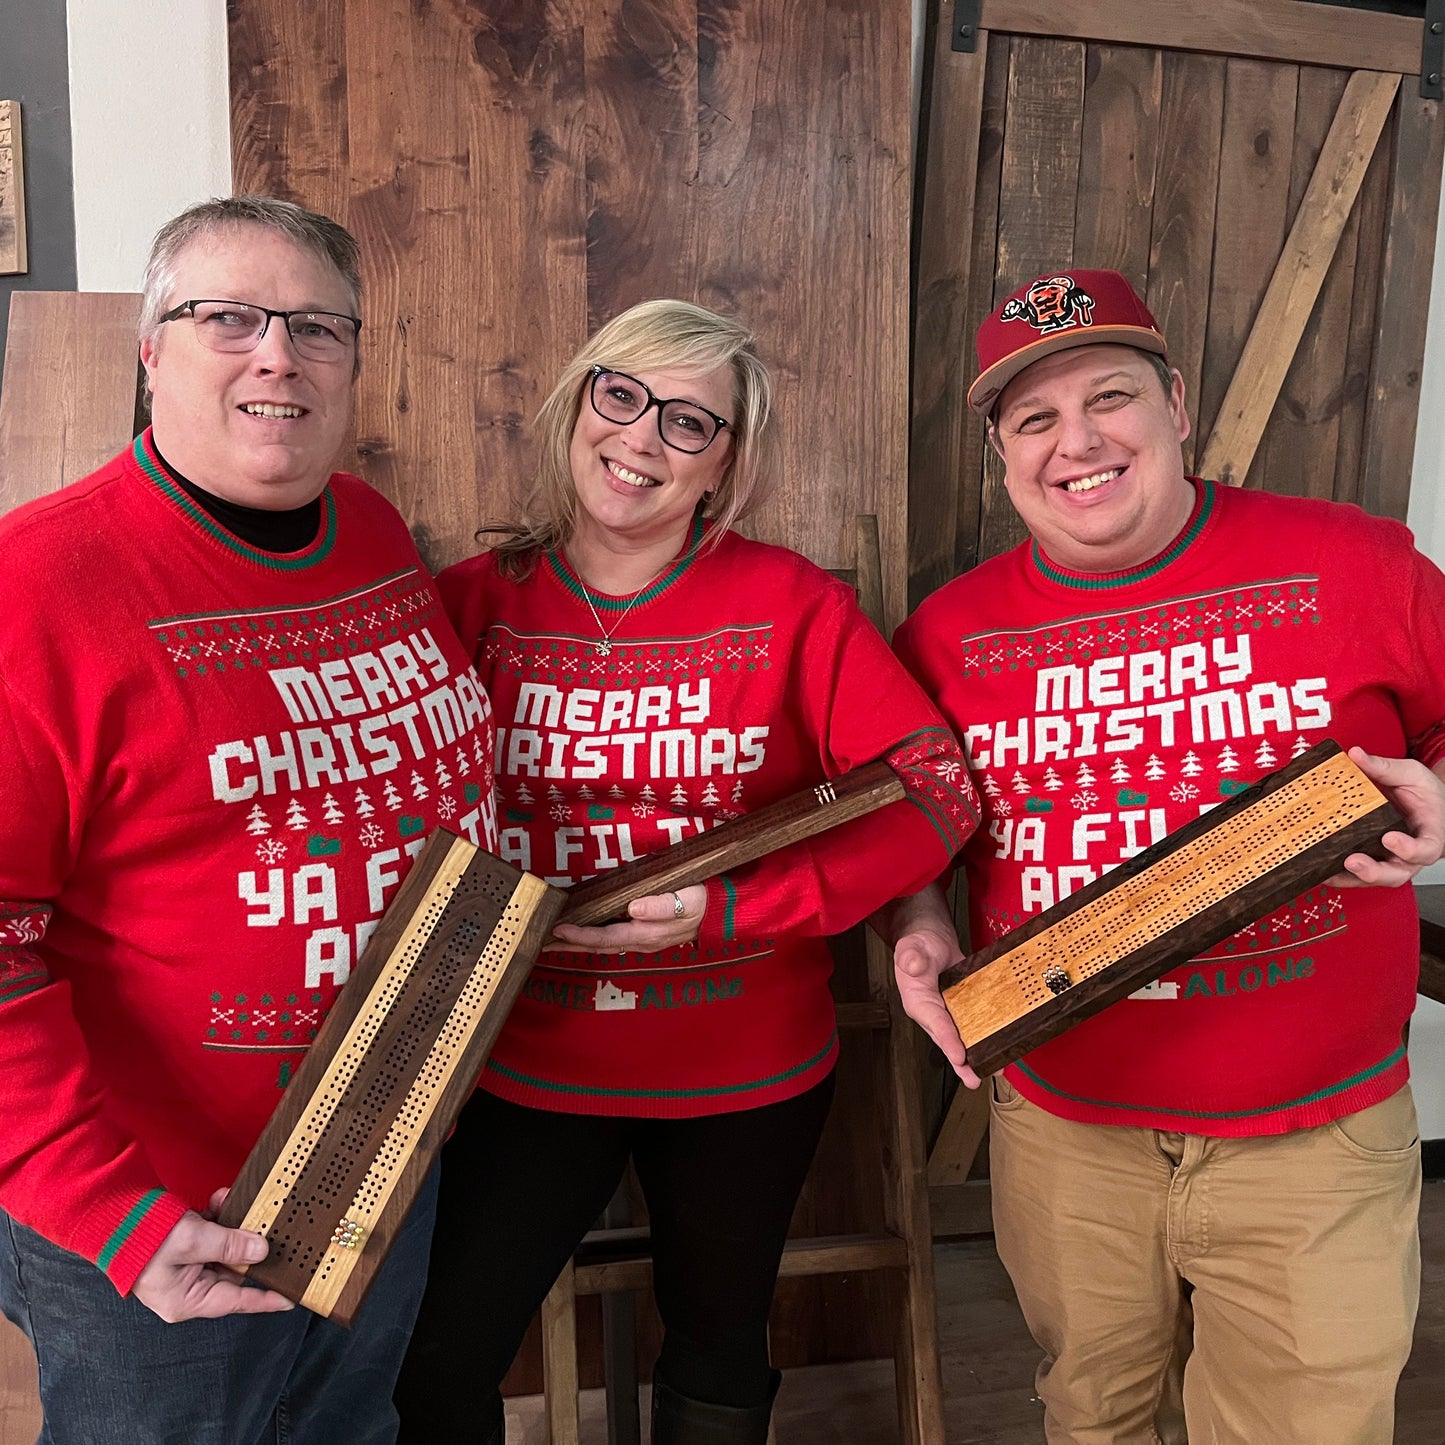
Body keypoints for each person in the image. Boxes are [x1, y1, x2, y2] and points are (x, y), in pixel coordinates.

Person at [393, 298, 978, 1444]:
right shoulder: (474, 601)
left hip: (741, 1063)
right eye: (621, 395)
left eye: (688, 421)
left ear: (724, 464)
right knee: (436, 1358)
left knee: (716, 1343)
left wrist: (737, 908)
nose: (642, 437)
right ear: (575, 406)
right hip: (524, 1058)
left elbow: (934, 792)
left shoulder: (793, 605)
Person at [886, 267, 1445, 1445]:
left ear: (1176, 405)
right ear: (999, 451)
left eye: (1110, 397)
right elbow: (916, 832)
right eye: (1033, 418)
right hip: (1063, 1128)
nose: (1075, 442)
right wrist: (919, 920)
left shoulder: (1354, 562)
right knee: (1091, 1411)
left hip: (1314, 1130)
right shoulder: (946, 632)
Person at [0, 195, 501, 1444]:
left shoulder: (373, 531)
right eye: (226, 317)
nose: (276, 353)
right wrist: (115, 1213)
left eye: (315, 326)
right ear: (150, 348)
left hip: (376, 1154)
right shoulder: (33, 590)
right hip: (165, 1210)